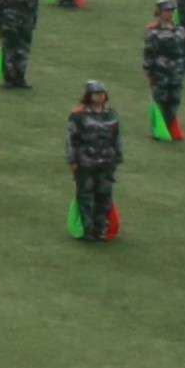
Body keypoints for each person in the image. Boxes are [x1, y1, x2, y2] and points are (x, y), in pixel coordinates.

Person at [69, 78, 127, 244]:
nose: (100, 96)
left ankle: (99, 230)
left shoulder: (111, 115)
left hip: (106, 163)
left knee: (104, 197)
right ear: (88, 95)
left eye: (102, 93)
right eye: (96, 93)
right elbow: (72, 139)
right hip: (85, 163)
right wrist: (72, 160)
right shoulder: (78, 116)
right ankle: (88, 230)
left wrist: (117, 157)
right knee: (86, 197)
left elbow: (116, 138)